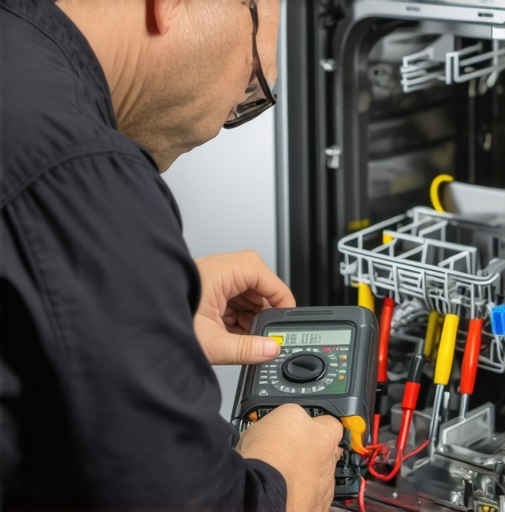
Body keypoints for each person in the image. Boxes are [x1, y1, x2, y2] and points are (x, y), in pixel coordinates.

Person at [0, 0, 344, 510]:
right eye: (252, 85)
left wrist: (138, 308)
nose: (227, 115)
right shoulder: (87, 172)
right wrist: (283, 484)